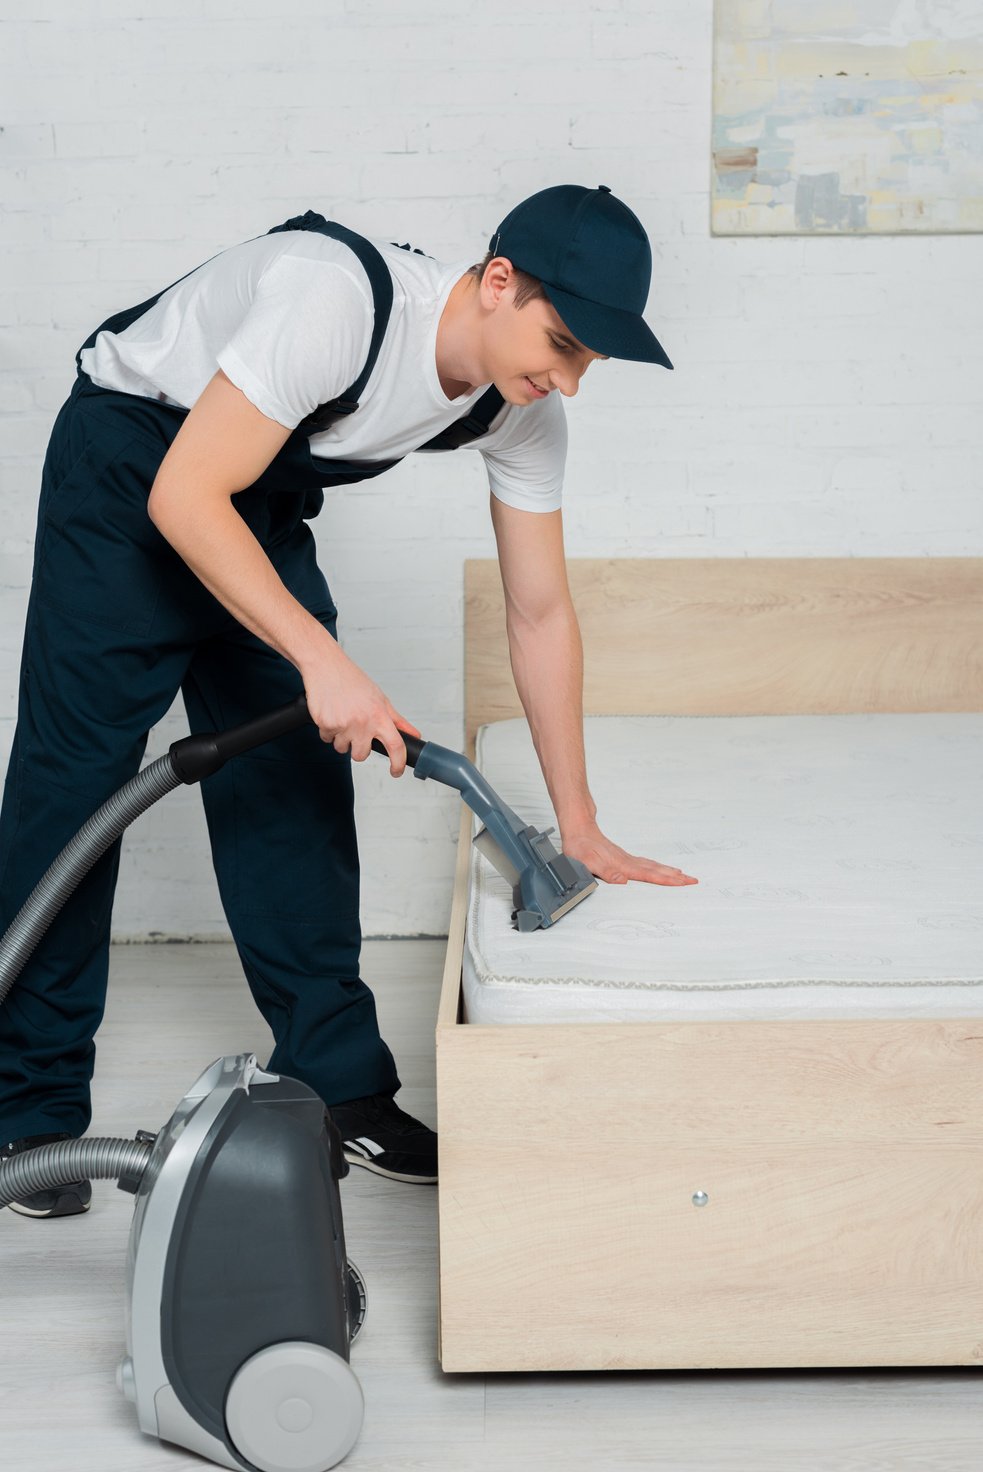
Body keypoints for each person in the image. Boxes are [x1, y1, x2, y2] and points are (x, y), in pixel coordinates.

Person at [0, 183, 697, 1217]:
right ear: (497, 281)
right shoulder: (335, 299)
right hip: (128, 473)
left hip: (248, 496)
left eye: (588, 359)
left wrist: (578, 822)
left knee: (291, 779)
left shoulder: (522, 411)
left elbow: (540, 614)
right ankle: (33, 1113)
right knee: (76, 788)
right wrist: (324, 660)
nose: (568, 379)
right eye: (560, 341)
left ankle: (341, 1086)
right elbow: (181, 494)